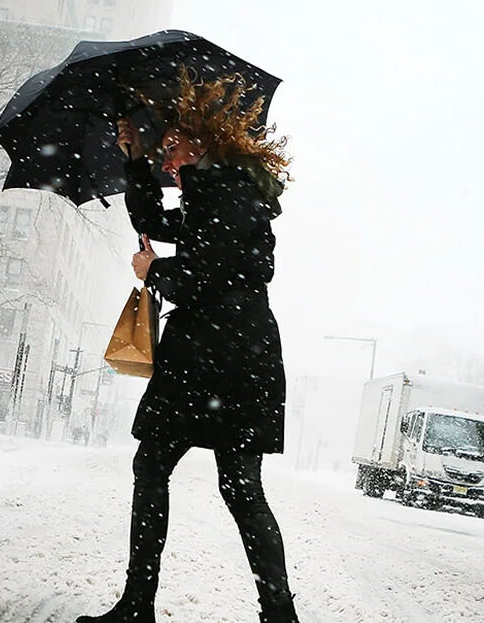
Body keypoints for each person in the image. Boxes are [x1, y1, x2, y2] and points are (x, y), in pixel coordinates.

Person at [78, 70, 297, 623]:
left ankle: (142, 605)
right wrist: (132, 157)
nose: (166, 157)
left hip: (220, 355)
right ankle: (264, 615)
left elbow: (205, 276)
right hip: (230, 354)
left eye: (171, 145)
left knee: (203, 477)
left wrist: (155, 270)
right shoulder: (219, 190)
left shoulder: (230, 192)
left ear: (201, 138)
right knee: (218, 480)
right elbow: (154, 218)